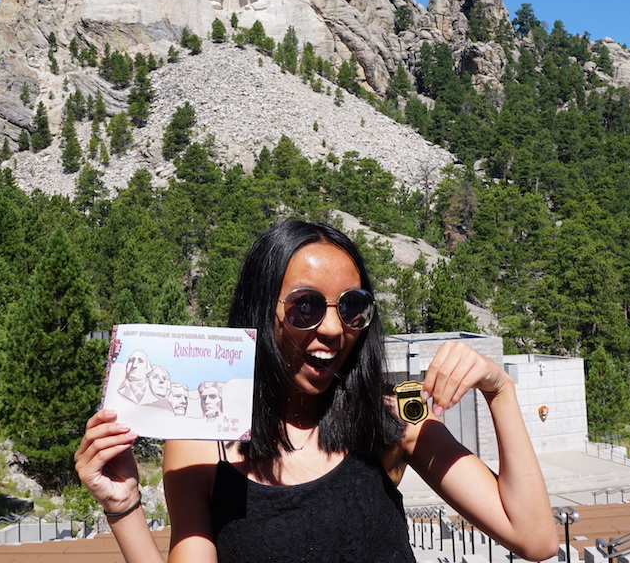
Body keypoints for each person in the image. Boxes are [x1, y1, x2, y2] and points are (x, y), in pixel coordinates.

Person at [75, 220, 557, 562]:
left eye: (352, 307)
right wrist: (124, 508)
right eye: (306, 307)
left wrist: (500, 390)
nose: (332, 328)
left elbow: (535, 539)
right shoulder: (200, 446)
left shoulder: (390, 421)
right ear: (263, 311)